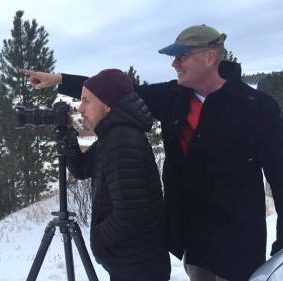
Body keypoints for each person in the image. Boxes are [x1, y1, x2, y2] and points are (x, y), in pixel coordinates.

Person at [21, 24, 283, 281]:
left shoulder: (256, 108)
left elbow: (280, 178)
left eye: (182, 57)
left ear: (209, 57)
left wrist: (281, 250)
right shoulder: (174, 97)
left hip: (237, 242)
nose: (174, 64)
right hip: (194, 238)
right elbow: (116, 93)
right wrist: (60, 80)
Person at [63, 68, 170, 281]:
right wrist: (68, 135)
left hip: (138, 267)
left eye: (86, 101)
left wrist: (99, 239)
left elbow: (130, 215)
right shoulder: (112, 135)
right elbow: (82, 169)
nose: (80, 108)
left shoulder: (122, 141)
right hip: (132, 261)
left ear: (107, 105)